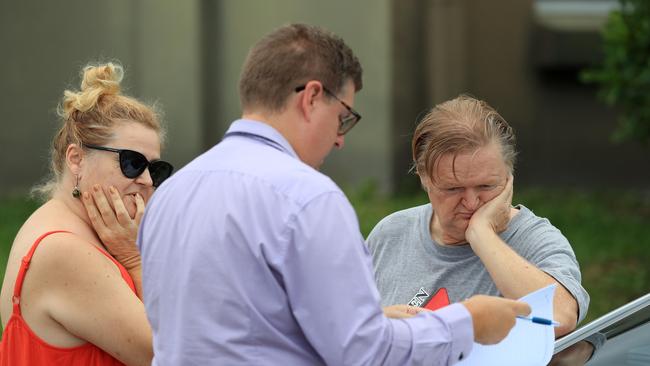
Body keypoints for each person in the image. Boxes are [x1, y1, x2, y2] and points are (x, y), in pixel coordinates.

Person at [138, 24, 531, 365]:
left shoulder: (171, 193)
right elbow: (365, 355)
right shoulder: (307, 198)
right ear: (311, 97)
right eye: (343, 117)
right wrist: (468, 322)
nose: (340, 139)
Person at [367, 95, 589, 338]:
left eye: (486, 186)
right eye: (453, 188)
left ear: (508, 176)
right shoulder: (390, 234)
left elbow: (560, 317)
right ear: (423, 177)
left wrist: (482, 235)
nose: (471, 203)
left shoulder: (535, 240)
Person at [0, 62, 173, 366]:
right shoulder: (65, 250)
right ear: (77, 160)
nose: (146, 180)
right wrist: (135, 258)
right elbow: (169, 353)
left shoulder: (69, 227)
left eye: (155, 169)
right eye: (132, 163)